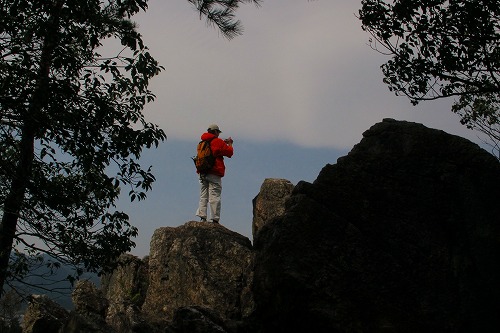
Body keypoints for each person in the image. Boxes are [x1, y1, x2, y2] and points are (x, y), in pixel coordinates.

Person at [195, 124, 233, 224]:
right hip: (214, 172)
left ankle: (202, 216)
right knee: (214, 195)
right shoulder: (218, 141)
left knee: (203, 195)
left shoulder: (201, 143)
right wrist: (229, 144)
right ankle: (215, 219)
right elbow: (229, 153)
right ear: (215, 132)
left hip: (202, 172)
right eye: (218, 132)